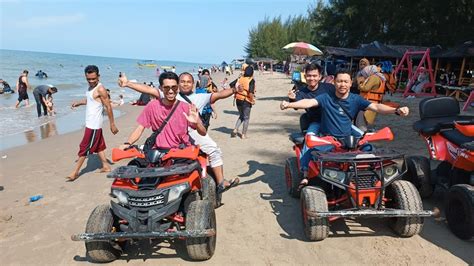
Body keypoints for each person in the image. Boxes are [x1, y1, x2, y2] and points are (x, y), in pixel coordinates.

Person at [280, 70, 409, 188]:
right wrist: (289, 104)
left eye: (345, 81)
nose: (342, 84)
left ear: (350, 83)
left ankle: (374, 182)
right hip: (329, 140)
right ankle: (305, 173)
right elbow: (309, 102)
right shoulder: (325, 98)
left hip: (350, 140)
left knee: (370, 151)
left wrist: (396, 110)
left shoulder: (356, 99)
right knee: (312, 152)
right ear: (334, 82)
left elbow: (376, 106)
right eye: (339, 81)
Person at [118, 71, 240, 194]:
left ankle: (220, 182)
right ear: (163, 88)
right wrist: (127, 143)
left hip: (187, 138)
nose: (171, 90)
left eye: (188, 82)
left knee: (213, 150)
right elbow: (147, 93)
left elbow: (218, 95)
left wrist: (234, 90)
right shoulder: (157, 101)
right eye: (182, 81)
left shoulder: (194, 101)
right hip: (162, 144)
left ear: (193, 84)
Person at [118, 71, 206, 153]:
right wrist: (128, 143)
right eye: (166, 88)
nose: (171, 91)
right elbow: (140, 128)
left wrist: (197, 122)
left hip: (180, 151)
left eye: (174, 87)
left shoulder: (187, 107)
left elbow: (203, 132)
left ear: (178, 88)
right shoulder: (152, 106)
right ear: (161, 88)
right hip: (158, 150)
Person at [67, 65, 119, 181]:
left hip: (94, 126)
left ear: (98, 77)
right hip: (90, 123)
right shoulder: (90, 88)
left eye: (93, 79)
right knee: (99, 146)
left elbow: (108, 106)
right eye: (88, 79)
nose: (91, 81)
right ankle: (105, 166)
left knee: (84, 148)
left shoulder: (101, 89)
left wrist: (112, 124)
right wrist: (79, 103)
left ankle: (75, 172)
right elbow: (90, 100)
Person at [287, 63, 335, 171]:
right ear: (305, 76)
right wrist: (292, 99)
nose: (311, 78)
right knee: (309, 139)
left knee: (359, 137)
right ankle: (304, 170)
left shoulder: (329, 88)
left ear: (320, 76)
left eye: (314, 75)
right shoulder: (302, 92)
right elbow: (296, 105)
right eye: (309, 76)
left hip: (333, 121)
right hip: (316, 122)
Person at [230, 66, 256, 139]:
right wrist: (252, 100)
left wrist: (237, 89)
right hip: (246, 100)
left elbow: (231, 84)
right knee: (246, 118)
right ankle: (243, 134)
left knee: (241, 115)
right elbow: (250, 92)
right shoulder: (251, 80)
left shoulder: (240, 78)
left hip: (238, 99)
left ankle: (235, 129)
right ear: (252, 72)